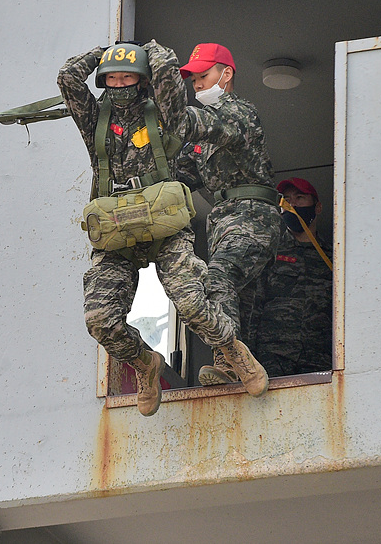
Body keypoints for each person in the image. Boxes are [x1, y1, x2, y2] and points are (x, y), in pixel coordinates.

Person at [57, 40, 267, 416]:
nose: (120, 85)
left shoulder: (163, 115)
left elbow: (170, 79)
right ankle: (144, 363)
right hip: (116, 233)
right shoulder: (95, 121)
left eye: (128, 77)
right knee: (99, 319)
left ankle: (234, 350)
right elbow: (69, 78)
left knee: (191, 303)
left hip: (166, 229)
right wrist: (104, 51)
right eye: (112, 79)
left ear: (141, 81)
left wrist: (150, 50)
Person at [177, 43, 283, 389]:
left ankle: (226, 359)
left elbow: (213, 128)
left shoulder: (239, 114)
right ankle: (244, 368)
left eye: (203, 76)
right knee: (245, 307)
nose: (198, 86)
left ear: (226, 74)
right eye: (193, 81)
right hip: (223, 221)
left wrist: (170, 115)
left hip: (253, 216)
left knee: (217, 278)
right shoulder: (199, 138)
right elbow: (177, 180)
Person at [253, 177, 333, 377]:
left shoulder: (335, 257)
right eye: (287, 199)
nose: (292, 204)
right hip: (273, 356)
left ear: (318, 207)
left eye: (300, 198)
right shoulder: (270, 253)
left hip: (320, 358)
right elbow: (253, 306)